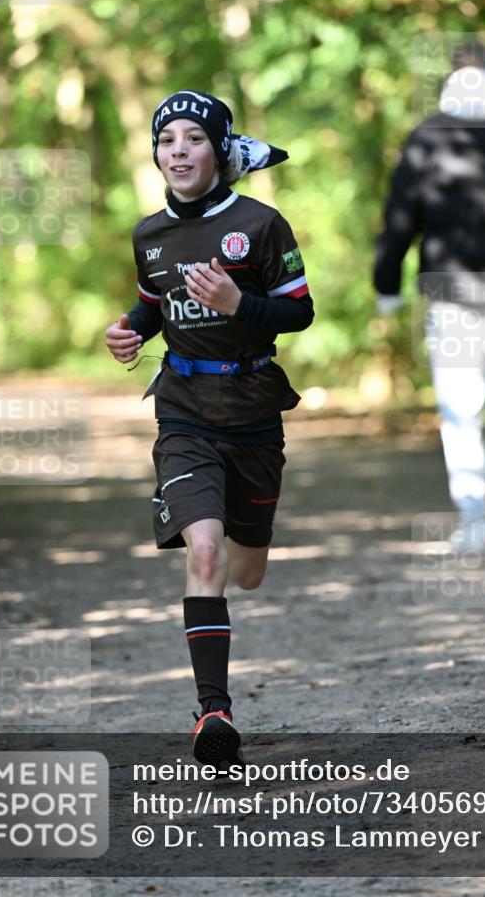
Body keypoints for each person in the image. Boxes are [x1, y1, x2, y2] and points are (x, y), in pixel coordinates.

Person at [105, 90, 313, 765]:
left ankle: (236, 560)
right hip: (184, 410)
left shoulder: (259, 224)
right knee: (202, 554)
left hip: (252, 411)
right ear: (157, 155)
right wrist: (129, 332)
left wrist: (237, 302)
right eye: (167, 142)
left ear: (219, 152)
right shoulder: (149, 235)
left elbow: (298, 313)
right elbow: (151, 304)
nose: (178, 152)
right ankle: (213, 711)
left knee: (245, 570)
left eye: (194, 139)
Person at [374, 42, 485, 553]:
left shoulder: (426, 137)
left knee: (460, 410)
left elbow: (399, 218)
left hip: (449, 293)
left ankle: (474, 521)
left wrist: (386, 286)